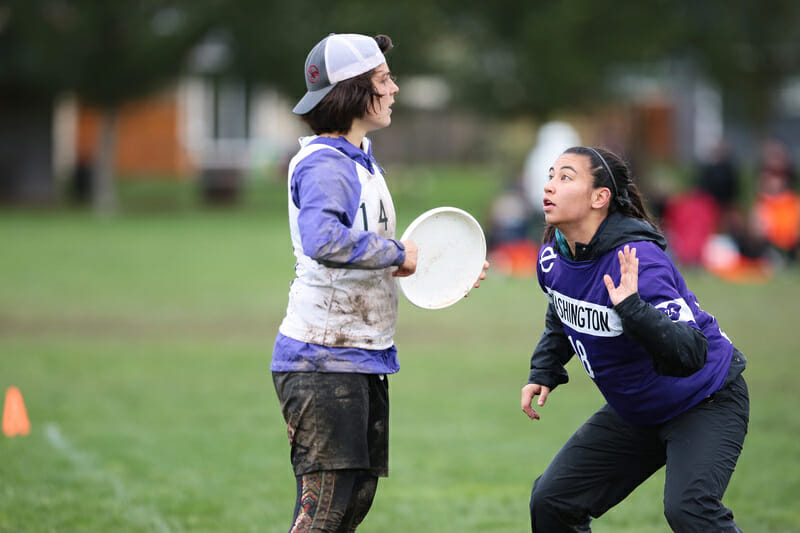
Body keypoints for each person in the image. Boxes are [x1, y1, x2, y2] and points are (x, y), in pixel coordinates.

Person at [271, 33, 485, 532]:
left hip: (358, 354)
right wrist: (396, 253)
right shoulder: (327, 162)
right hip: (322, 358)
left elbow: (372, 251)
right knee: (324, 511)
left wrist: (445, 270)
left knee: (353, 501)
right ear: (352, 91)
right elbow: (324, 239)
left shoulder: (359, 156)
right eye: (383, 79)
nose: (394, 89)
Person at [520, 146, 749, 532]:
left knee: (690, 511)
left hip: (704, 400)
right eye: (550, 175)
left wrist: (632, 307)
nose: (549, 186)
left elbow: (692, 351)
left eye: (565, 177)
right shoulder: (553, 257)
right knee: (553, 502)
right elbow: (561, 307)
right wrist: (545, 367)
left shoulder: (638, 259)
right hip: (638, 411)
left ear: (600, 197)